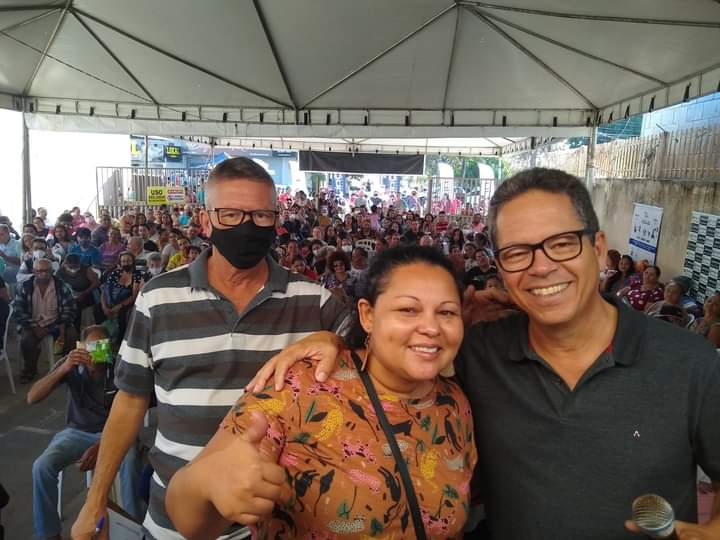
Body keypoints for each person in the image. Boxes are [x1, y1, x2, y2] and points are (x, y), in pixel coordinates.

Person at [251, 168, 720, 540]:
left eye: (561, 244)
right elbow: (400, 353)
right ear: (501, 268)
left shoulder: (691, 364)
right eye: (517, 252)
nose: (541, 267)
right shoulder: (480, 352)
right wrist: (337, 342)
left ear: (598, 249)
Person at [71, 157, 350, 540]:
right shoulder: (158, 298)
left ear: (275, 221)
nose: (247, 226)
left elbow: (374, 353)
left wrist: (335, 339)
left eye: (261, 215)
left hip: (279, 522)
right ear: (205, 221)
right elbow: (131, 400)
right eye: (230, 215)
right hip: (175, 523)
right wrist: (95, 499)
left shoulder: (314, 302)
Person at [166, 245, 476, 539]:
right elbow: (189, 521)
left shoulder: (454, 404)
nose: (431, 327)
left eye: (447, 313)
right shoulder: (299, 387)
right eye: (408, 309)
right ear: (368, 315)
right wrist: (208, 484)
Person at [27, 325, 144, 540]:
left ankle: (133, 530)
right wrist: (63, 368)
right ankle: (48, 534)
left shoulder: (119, 366)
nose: (96, 352)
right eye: (91, 346)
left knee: (130, 460)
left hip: (114, 433)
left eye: (102, 345)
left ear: (109, 346)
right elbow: (32, 397)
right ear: (81, 347)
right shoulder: (71, 364)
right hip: (76, 432)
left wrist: (102, 445)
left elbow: (131, 414)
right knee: (41, 466)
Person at [14, 258, 77, 383]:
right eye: (39, 271)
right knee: (27, 339)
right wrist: (35, 326)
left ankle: (66, 368)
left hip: (56, 323)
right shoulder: (25, 286)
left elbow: (70, 308)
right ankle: (30, 369)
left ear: (52, 271)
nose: (43, 274)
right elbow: (19, 310)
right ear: (33, 271)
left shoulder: (61, 286)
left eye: (47, 271)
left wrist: (62, 325)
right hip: (32, 323)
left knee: (72, 335)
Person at [97, 252, 142, 345]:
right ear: (120, 262)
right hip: (111, 299)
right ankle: (101, 336)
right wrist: (104, 306)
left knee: (122, 314)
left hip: (127, 301)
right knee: (97, 309)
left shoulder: (137, 274)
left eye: (128, 261)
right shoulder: (115, 273)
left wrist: (119, 306)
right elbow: (105, 290)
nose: (126, 263)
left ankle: (120, 341)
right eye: (123, 261)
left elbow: (134, 295)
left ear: (133, 262)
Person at [56, 253, 100, 330]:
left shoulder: (86, 269)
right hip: (70, 294)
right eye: (71, 267)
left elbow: (96, 283)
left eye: (76, 266)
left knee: (87, 319)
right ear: (65, 264)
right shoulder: (61, 271)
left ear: (79, 264)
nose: (73, 269)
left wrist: (84, 293)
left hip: (87, 293)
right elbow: (56, 284)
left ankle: (86, 330)